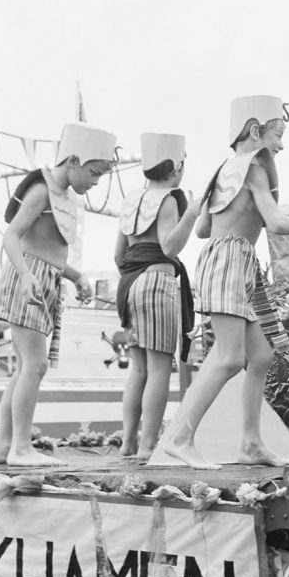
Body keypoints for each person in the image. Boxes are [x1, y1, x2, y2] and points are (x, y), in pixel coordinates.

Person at [160, 96, 289, 468]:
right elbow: (277, 222)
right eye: (277, 135)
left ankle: (250, 443)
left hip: (226, 258)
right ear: (255, 130)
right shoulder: (253, 170)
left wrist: (233, 222)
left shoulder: (224, 170)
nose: (281, 145)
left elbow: (203, 229)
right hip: (234, 260)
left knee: (261, 356)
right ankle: (180, 436)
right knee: (230, 357)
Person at [0, 122, 117, 465]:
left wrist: (76, 275)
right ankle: (20, 448)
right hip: (26, 279)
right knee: (35, 365)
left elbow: (49, 248)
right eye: (93, 172)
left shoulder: (64, 195)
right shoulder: (42, 190)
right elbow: (12, 236)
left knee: (23, 369)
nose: (95, 182)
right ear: (74, 160)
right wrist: (26, 274)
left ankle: (4, 446)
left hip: (44, 278)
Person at [115, 133, 198, 459]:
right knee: (160, 368)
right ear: (176, 166)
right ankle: (149, 443)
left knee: (138, 369)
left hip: (129, 285)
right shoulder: (169, 199)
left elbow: (118, 254)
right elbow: (170, 247)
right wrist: (190, 214)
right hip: (155, 282)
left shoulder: (131, 200)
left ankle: (128, 441)